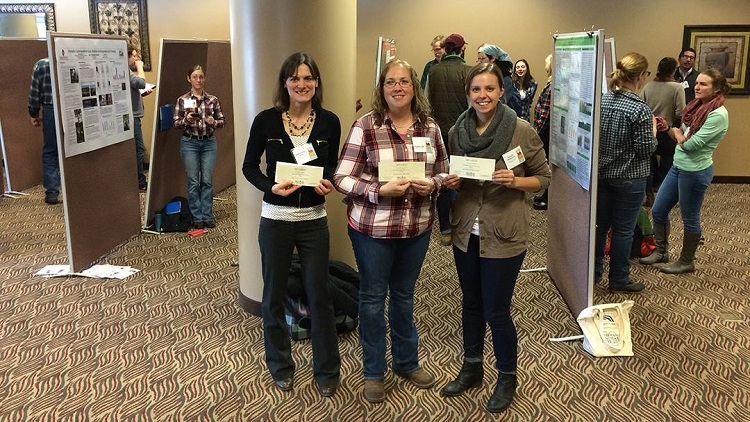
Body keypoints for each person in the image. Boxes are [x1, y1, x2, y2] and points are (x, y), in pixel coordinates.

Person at [334, 58, 448, 404]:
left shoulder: (430, 128)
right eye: (390, 82)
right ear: (381, 89)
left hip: (416, 227)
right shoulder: (366, 127)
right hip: (373, 230)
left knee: (403, 295)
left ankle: (406, 361)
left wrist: (433, 185)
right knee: (371, 299)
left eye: (404, 82)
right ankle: (373, 372)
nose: (398, 88)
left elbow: (444, 171)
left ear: (415, 88)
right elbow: (342, 177)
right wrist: (377, 190)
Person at [439, 63, 550, 413]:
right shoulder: (458, 130)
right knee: (470, 304)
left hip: (504, 230)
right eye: (476, 90)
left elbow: (544, 177)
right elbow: (455, 170)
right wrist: (452, 181)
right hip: (466, 230)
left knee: (496, 310)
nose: (482, 96)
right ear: (468, 93)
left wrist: (515, 182)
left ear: (501, 91)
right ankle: (472, 366)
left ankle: (506, 376)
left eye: (489, 89)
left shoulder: (520, 130)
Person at [242, 52, 342, 397]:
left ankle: (327, 370)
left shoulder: (329, 121)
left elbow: (331, 167)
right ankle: (281, 366)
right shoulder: (267, 121)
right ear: (285, 83)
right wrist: (270, 186)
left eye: (308, 78)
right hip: (276, 220)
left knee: (320, 295)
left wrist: (327, 182)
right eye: (295, 78)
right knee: (273, 296)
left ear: (316, 83)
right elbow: (249, 166)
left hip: (314, 221)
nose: (302, 84)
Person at [640, 68, 729, 274]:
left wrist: (676, 131)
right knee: (658, 209)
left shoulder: (718, 114)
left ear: (716, 89)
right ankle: (661, 252)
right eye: (697, 83)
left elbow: (690, 144)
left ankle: (686, 261)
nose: (697, 87)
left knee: (690, 217)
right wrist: (668, 128)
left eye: (703, 84)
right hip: (678, 167)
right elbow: (680, 140)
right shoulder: (697, 107)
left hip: (695, 172)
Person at [595, 52, 657, 293]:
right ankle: (619, 279)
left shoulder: (603, 101)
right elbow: (644, 150)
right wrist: (652, 132)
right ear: (641, 76)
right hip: (630, 178)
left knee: (601, 227)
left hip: (602, 175)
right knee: (623, 231)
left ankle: (595, 271)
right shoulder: (640, 109)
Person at [426, 33, 470, 246]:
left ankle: (445, 229)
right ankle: (462, 225)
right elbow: (473, 109)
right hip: (463, 135)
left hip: (439, 134)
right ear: (462, 50)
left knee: (443, 179)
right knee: (463, 178)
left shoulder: (433, 71)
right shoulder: (468, 72)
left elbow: (426, 104)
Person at [173, 65, 225, 229]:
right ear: (189, 79)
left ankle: (207, 215)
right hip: (190, 143)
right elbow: (176, 124)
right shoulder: (182, 100)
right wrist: (187, 120)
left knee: (207, 180)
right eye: (195, 77)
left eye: (201, 77)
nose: (198, 80)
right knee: (194, 181)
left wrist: (213, 122)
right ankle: (197, 217)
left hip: (209, 142)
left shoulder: (213, 100)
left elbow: (222, 122)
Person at [640, 57, 686, 193]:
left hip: (650, 129)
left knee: (649, 161)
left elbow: (641, 105)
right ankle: (662, 189)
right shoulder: (677, 87)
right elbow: (681, 111)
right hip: (667, 130)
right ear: (673, 70)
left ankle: (649, 191)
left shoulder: (648, 86)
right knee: (667, 161)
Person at [28, 57, 61, 205]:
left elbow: (34, 93)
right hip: (73, 107)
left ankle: (52, 193)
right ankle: (75, 188)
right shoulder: (73, 57)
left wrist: (34, 114)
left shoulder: (41, 65)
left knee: (50, 152)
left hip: (51, 109)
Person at [128, 44, 154, 192]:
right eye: (134, 56)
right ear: (128, 57)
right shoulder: (127, 71)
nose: (136, 59)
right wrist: (140, 67)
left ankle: (138, 180)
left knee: (137, 149)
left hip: (133, 114)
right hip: (132, 117)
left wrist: (142, 94)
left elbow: (135, 89)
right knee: (139, 149)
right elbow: (141, 82)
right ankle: (140, 182)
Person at [477, 44, 523, 117]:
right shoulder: (483, 77)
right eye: (478, 59)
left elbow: (499, 104)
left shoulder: (505, 80)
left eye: (482, 58)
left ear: (492, 59)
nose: (479, 62)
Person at [532, 54, 553, 210]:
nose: (544, 65)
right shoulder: (551, 84)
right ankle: (546, 194)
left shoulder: (551, 87)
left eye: (546, 62)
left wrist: (536, 135)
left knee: (546, 165)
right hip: (547, 132)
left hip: (545, 133)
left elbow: (544, 115)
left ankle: (547, 196)